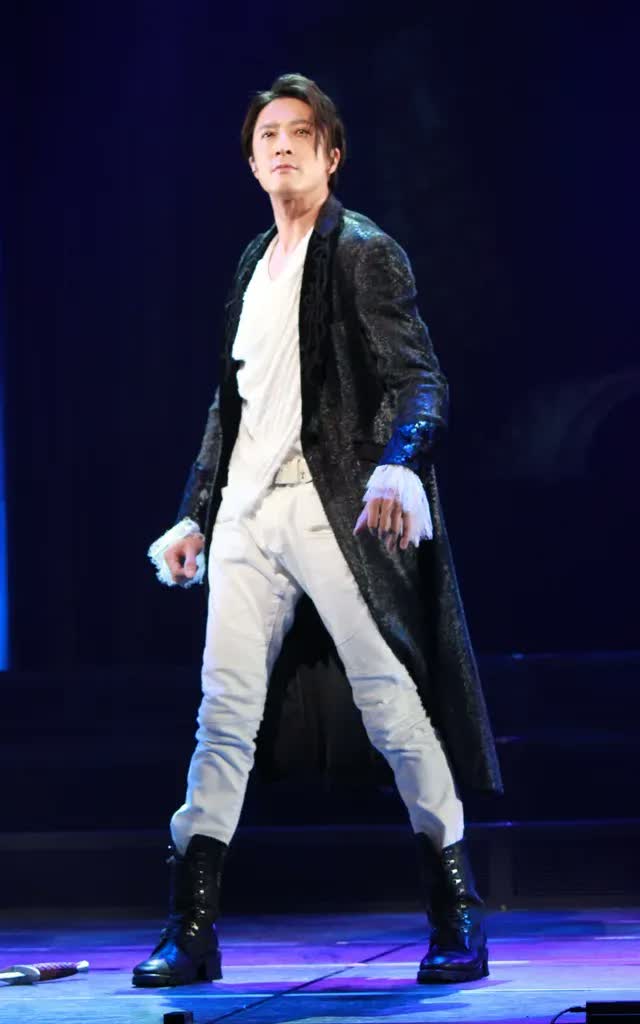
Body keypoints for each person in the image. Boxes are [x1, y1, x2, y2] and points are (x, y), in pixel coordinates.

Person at [133, 72, 502, 989]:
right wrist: (194, 511)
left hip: (330, 504)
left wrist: (399, 461)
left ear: (332, 155)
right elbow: (232, 405)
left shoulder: (363, 251)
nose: (283, 146)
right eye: (268, 135)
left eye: (301, 133)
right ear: (251, 159)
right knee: (222, 711)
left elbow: (420, 378)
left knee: (388, 701)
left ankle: (455, 908)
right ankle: (192, 926)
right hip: (248, 513)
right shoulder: (252, 262)